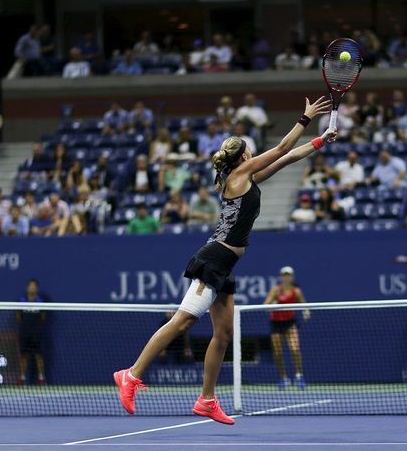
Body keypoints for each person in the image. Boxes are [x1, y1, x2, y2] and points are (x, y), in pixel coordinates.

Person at [113, 96, 334, 424]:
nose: (253, 153)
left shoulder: (248, 178)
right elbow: (281, 146)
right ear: (243, 156)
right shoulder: (238, 175)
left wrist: (319, 141)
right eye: (248, 149)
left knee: (223, 334)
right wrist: (305, 119)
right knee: (183, 320)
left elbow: (286, 157)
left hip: (225, 266)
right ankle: (131, 374)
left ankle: (206, 399)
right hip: (213, 259)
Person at [264, 266, 310, 389]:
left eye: (288, 275)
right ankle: (283, 378)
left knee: (295, 349)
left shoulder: (297, 291)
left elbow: (304, 305)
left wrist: (306, 312)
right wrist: (272, 304)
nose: (286, 278)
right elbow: (265, 305)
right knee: (278, 353)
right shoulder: (275, 290)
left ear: (292, 277)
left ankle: (299, 376)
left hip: (290, 323)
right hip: (276, 324)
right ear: (281, 277)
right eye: (284, 275)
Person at [17, 279, 47, 385]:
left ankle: (41, 378)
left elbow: (43, 317)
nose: (32, 288)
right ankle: (22, 378)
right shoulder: (21, 300)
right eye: (31, 286)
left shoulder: (40, 301)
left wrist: (36, 328)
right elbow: (18, 316)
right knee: (24, 356)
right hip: (24, 333)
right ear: (27, 287)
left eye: (34, 286)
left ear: (37, 288)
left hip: (36, 334)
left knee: (38, 355)